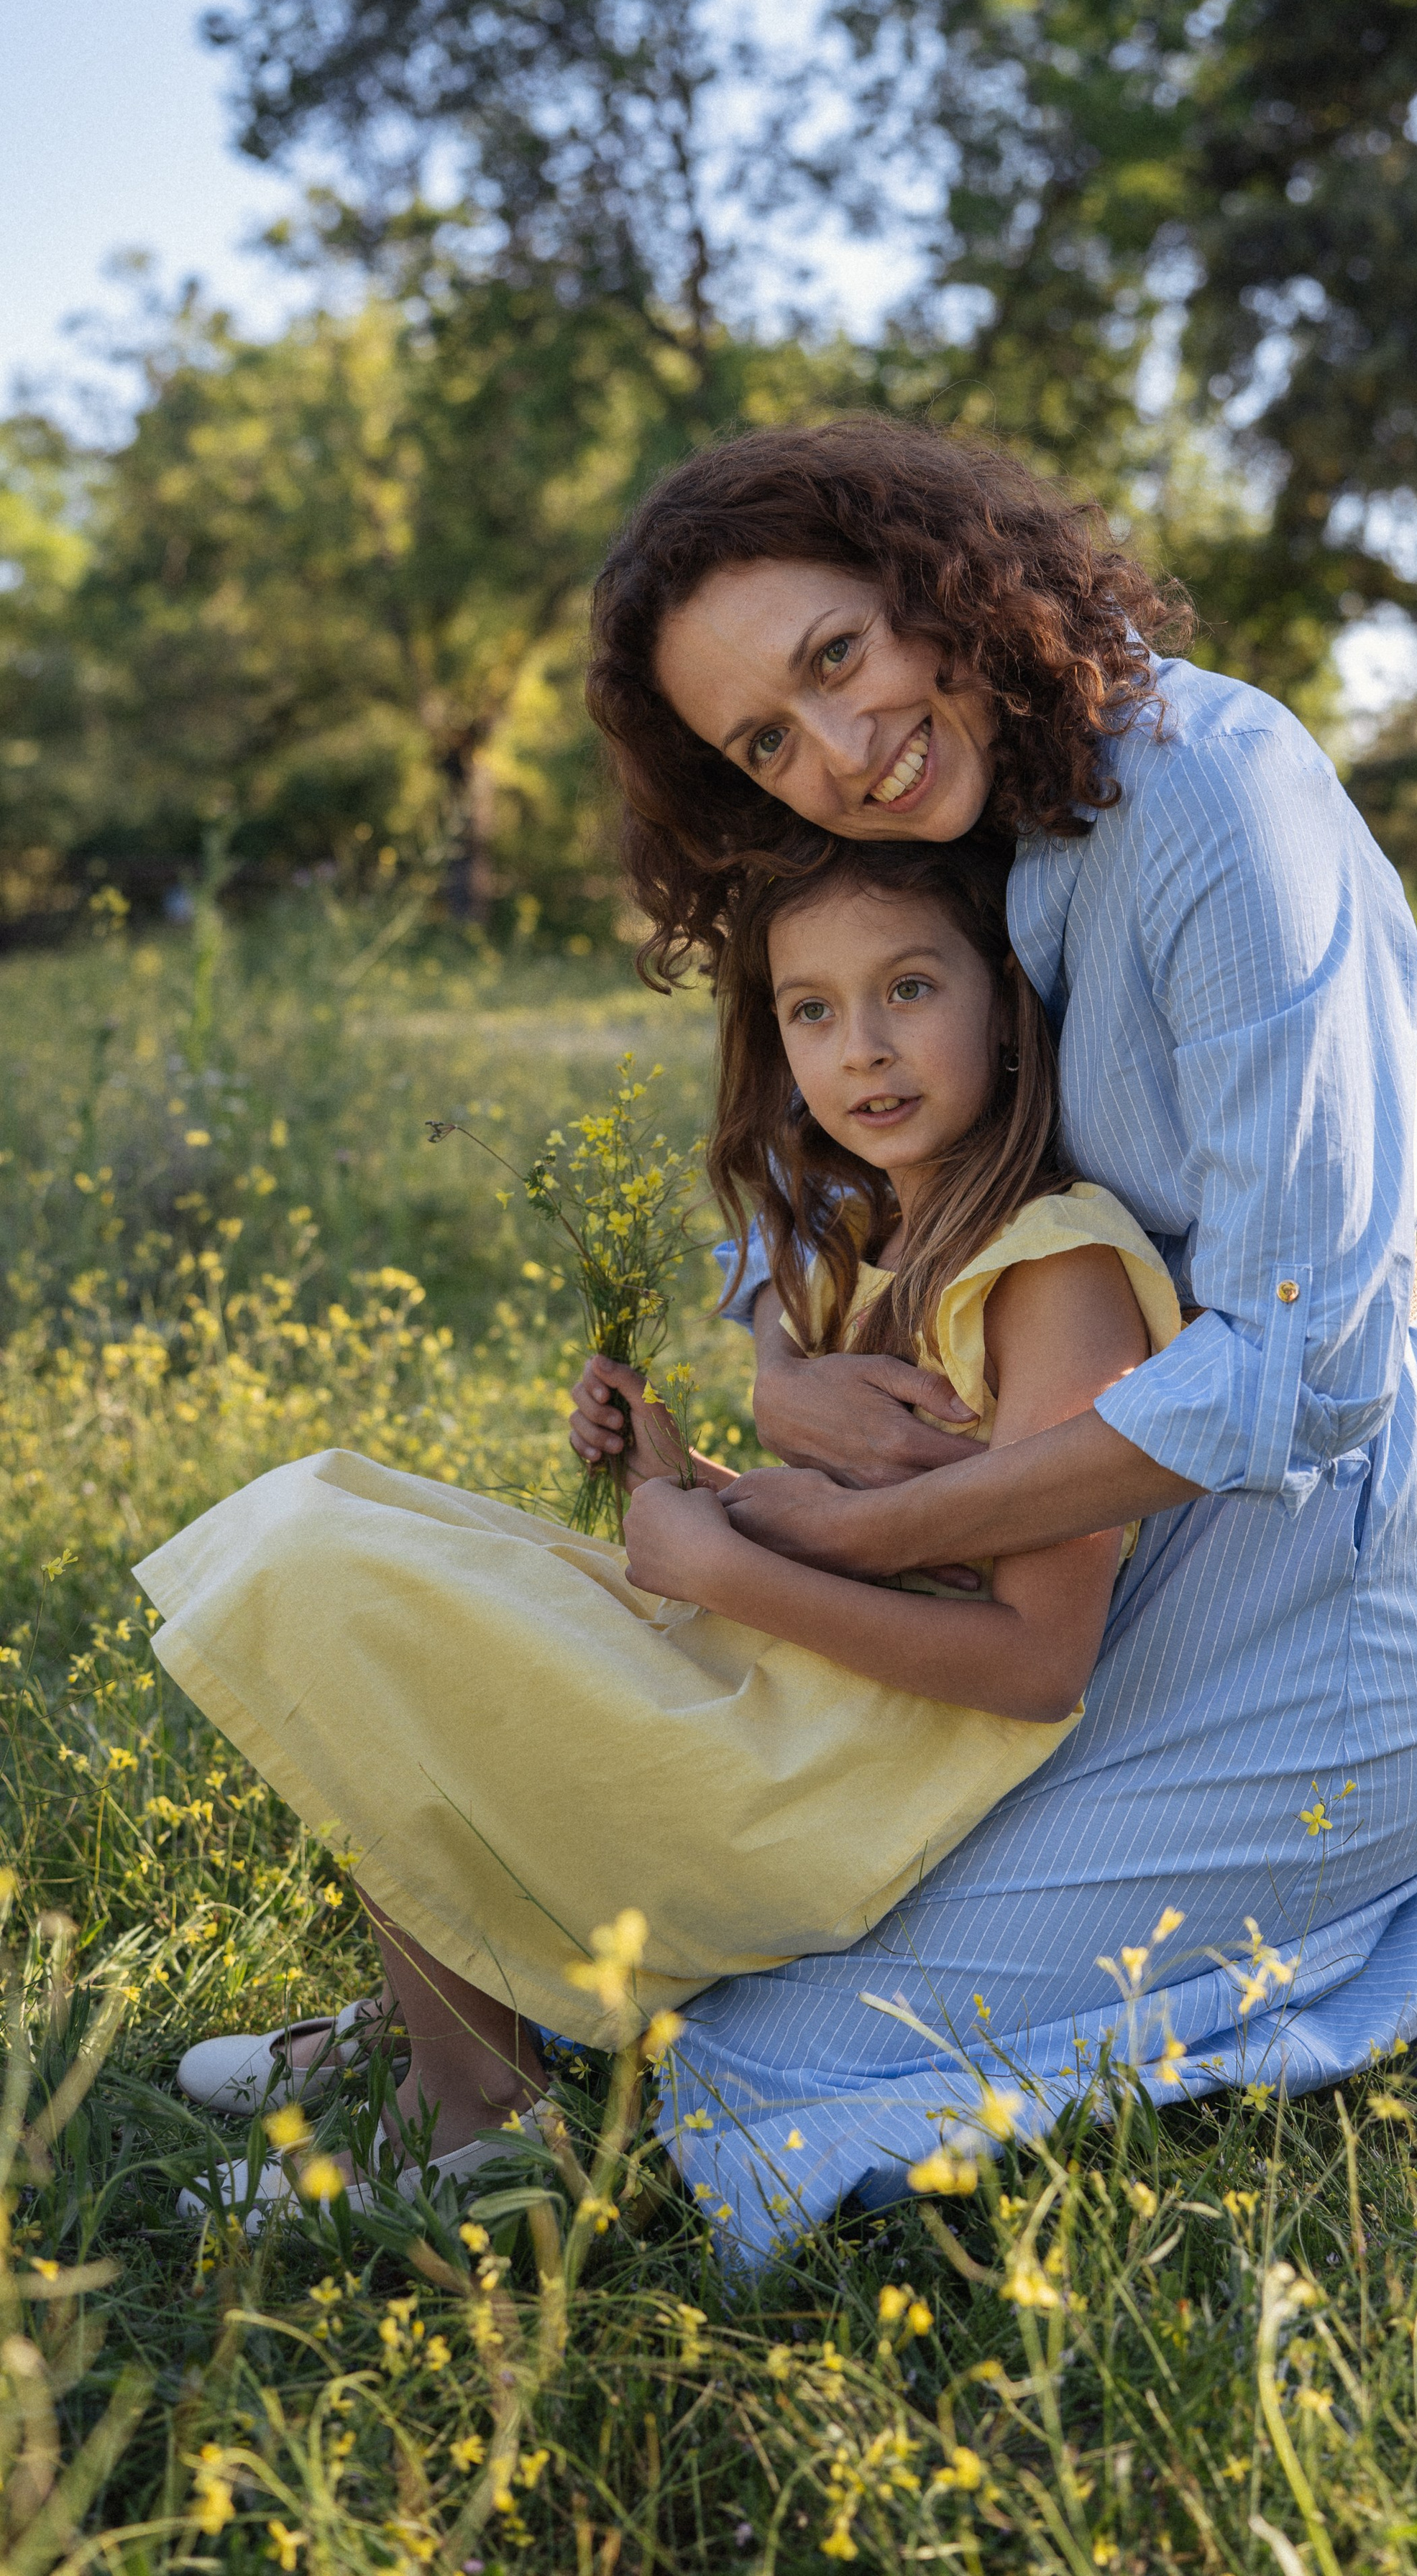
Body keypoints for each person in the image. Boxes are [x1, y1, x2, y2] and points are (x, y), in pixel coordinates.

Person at [569, 415, 1417, 2257]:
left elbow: (1309, 1365)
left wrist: (834, 1531)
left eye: (838, 657)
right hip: (1076, 1564)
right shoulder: (971, 801)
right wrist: (771, 1356)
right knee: (743, 1907)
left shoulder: (1212, 800)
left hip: (1302, 1607)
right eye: (765, 741)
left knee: (774, 2056)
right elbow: (830, 1098)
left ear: (934, 577)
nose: (838, 756)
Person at [140, 837, 1184, 2221]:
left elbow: (1038, 1661)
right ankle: (443, 2021)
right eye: (813, 1010)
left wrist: (726, 1557)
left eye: (911, 988)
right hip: (775, 1672)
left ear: (1006, 1002)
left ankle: (470, 2126)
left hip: (833, 1773)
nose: (862, 1049)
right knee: (351, 1543)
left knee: (361, 1599)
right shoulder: (885, 1236)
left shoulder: (1055, 1269)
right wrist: (683, 1474)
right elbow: (860, 1530)